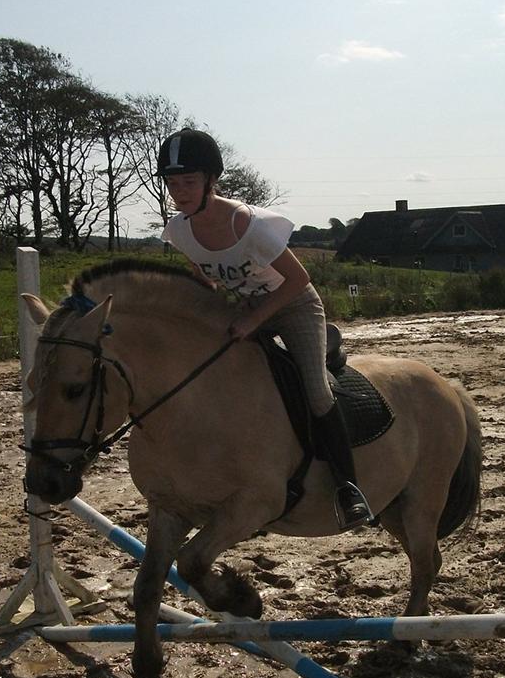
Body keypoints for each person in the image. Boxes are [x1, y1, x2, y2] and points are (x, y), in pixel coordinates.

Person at [158, 128, 372, 530]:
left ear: (210, 180)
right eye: (172, 183)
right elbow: (203, 275)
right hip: (246, 306)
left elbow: (299, 278)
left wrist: (252, 321)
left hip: (294, 305)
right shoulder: (179, 230)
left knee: (317, 391)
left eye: (188, 181)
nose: (180, 192)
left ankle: (349, 489)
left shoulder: (246, 225)